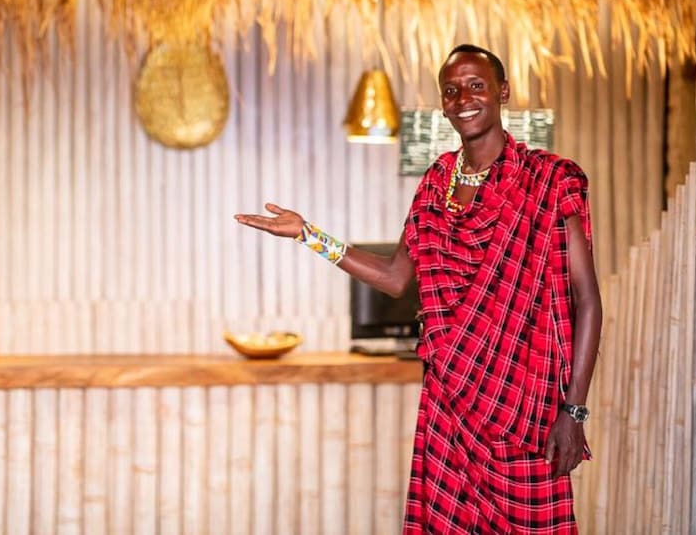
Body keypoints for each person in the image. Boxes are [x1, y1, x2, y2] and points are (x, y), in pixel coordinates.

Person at [234, 44, 602, 534]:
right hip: (449, 404)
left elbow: (587, 300)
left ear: (503, 92)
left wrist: (573, 412)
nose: (463, 99)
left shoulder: (549, 179)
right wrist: (308, 234)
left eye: (476, 86)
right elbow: (395, 277)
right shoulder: (436, 183)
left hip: (522, 408)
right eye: (451, 91)